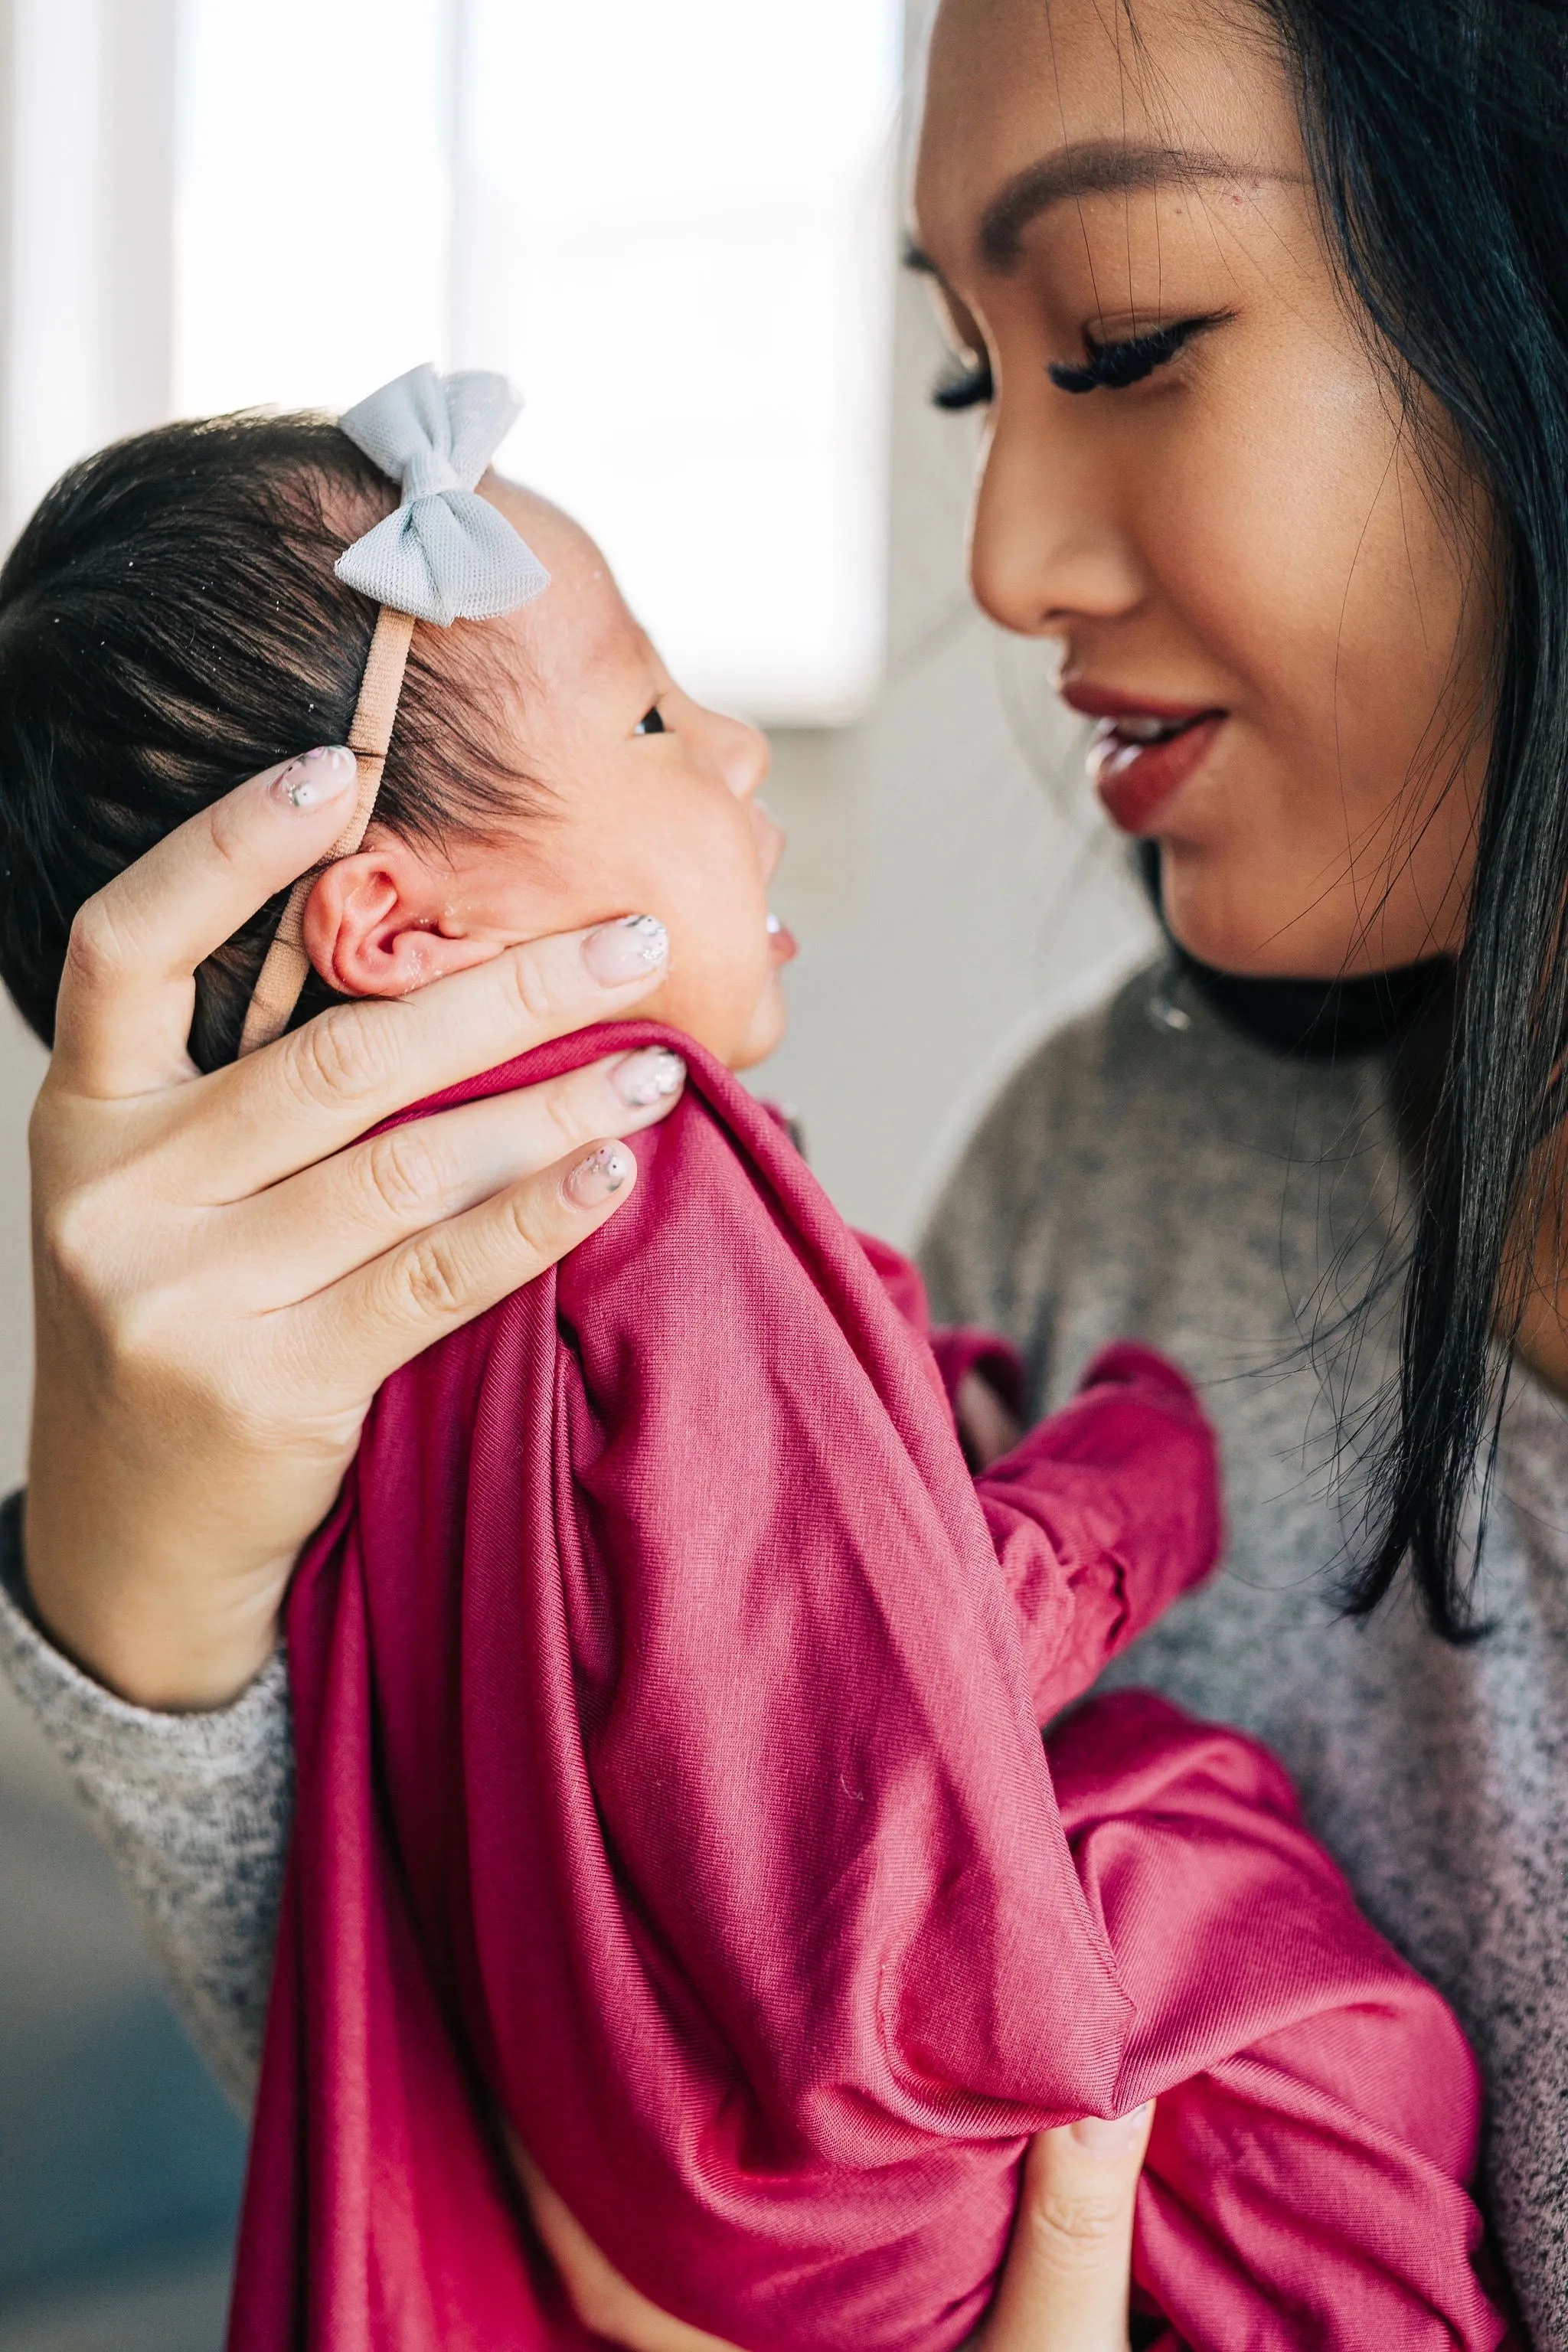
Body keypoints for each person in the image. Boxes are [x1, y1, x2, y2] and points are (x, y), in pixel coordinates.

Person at [2, 0, 1566, 2342]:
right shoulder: (1081, 1175)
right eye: (977, 379)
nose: (1006, 556)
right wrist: (155, 1616)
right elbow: (569, 2012)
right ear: (394, 915)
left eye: (1124, 338)